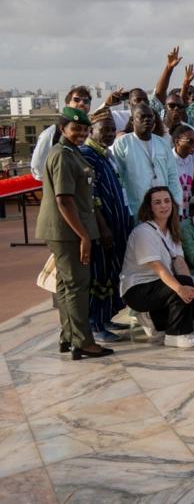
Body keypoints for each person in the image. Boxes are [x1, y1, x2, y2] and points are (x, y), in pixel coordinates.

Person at [36, 107, 113, 359]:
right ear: (62, 129)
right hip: (68, 232)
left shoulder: (72, 153)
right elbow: (64, 200)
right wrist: (83, 237)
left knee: (67, 286)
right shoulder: (62, 156)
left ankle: (69, 336)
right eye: (75, 128)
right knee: (78, 285)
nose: (80, 133)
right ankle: (83, 341)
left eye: (83, 129)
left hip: (70, 229)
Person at [119, 187, 194, 349]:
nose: (163, 206)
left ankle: (153, 319)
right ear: (149, 207)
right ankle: (176, 335)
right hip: (138, 289)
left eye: (167, 201)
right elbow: (157, 267)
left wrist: (189, 285)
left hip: (159, 285)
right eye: (157, 202)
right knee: (180, 289)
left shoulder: (172, 231)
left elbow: (179, 262)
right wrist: (180, 288)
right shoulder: (144, 232)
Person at [78, 112, 132, 343]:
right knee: (99, 276)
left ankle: (105, 317)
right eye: (104, 130)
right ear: (91, 131)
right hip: (103, 230)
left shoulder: (106, 155)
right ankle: (95, 324)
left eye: (112, 130)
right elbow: (92, 198)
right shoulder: (87, 156)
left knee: (112, 274)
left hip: (118, 224)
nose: (109, 134)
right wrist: (104, 228)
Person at [111, 103, 183, 218]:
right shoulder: (123, 143)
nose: (147, 120)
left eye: (150, 117)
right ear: (132, 120)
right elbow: (118, 180)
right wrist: (126, 211)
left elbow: (173, 177)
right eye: (142, 117)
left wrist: (177, 208)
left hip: (163, 209)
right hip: (136, 209)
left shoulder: (162, 143)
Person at [31, 86, 94, 180]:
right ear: (67, 104)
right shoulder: (51, 134)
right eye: (76, 100)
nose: (81, 103)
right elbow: (38, 168)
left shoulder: (90, 132)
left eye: (86, 101)